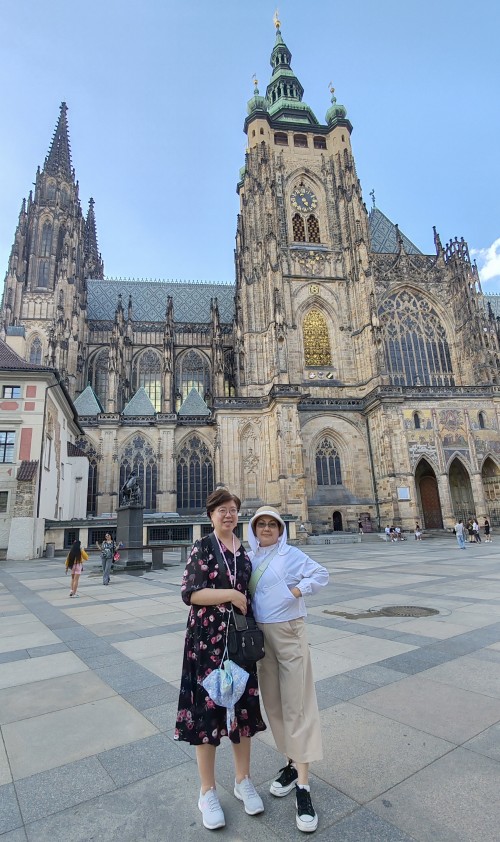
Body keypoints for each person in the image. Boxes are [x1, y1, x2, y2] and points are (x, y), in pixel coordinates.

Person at [174, 489, 266, 831]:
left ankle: (243, 781)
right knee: (207, 715)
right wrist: (230, 594)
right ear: (211, 515)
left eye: (233, 510)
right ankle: (207, 791)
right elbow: (190, 593)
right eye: (221, 510)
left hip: (239, 644)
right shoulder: (202, 546)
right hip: (207, 644)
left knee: (242, 712)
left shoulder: (245, 553)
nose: (228, 515)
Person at [248, 507, 329, 833]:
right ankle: (292, 764)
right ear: (254, 529)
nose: (267, 528)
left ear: (280, 530)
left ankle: (304, 786)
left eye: (272, 524)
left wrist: (295, 592)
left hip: (289, 633)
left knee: (298, 705)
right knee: (275, 706)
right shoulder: (250, 558)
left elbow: (321, 574)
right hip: (261, 638)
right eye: (261, 525)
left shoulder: (291, 555)